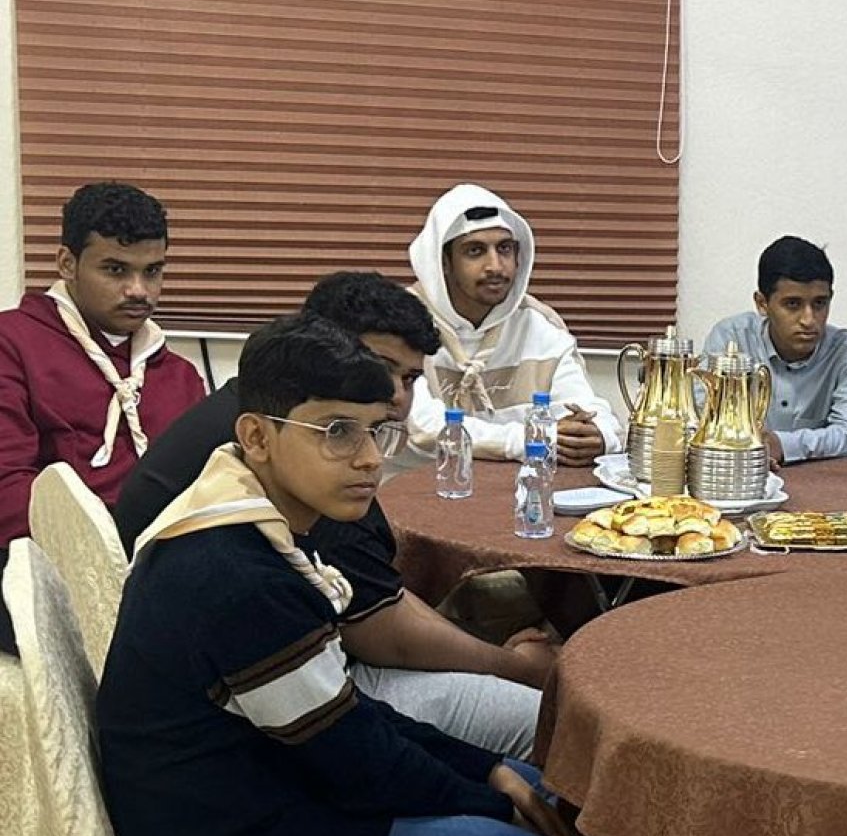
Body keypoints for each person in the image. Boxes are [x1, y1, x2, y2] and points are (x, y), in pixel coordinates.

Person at [98, 314, 654, 836]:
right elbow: (354, 762)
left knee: (548, 796)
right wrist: (489, 806)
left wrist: (487, 771)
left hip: (266, 798)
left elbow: (343, 715)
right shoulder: (236, 576)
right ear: (257, 436)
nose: (368, 459)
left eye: (376, 431)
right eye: (336, 432)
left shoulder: (245, 518)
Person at [112, 272, 545, 759]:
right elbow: (381, 636)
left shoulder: (266, 414)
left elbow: (378, 595)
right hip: (245, 711)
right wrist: (517, 669)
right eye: (379, 368)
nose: (395, 396)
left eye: (409, 379)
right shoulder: (295, 463)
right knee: (550, 719)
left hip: (247, 667)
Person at [0, 182, 205, 653]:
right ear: (66, 263)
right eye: (115, 270)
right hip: (40, 568)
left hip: (160, 567)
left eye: (153, 271)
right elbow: (7, 493)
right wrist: (113, 552)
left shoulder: (179, 376)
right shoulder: (12, 343)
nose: (139, 291)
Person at [404, 183, 621, 466]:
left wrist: (598, 435)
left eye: (504, 248)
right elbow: (423, 428)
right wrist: (528, 440)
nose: (495, 266)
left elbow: (590, 410)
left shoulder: (539, 324)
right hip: (419, 484)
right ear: (443, 261)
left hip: (521, 485)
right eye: (475, 251)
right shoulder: (402, 321)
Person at [704, 235, 847, 466]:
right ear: (762, 303)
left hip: (823, 481)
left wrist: (782, 445)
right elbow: (704, 417)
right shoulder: (731, 340)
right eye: (793, 304)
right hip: (742, 474)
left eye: (819, 303)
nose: (809, 320)